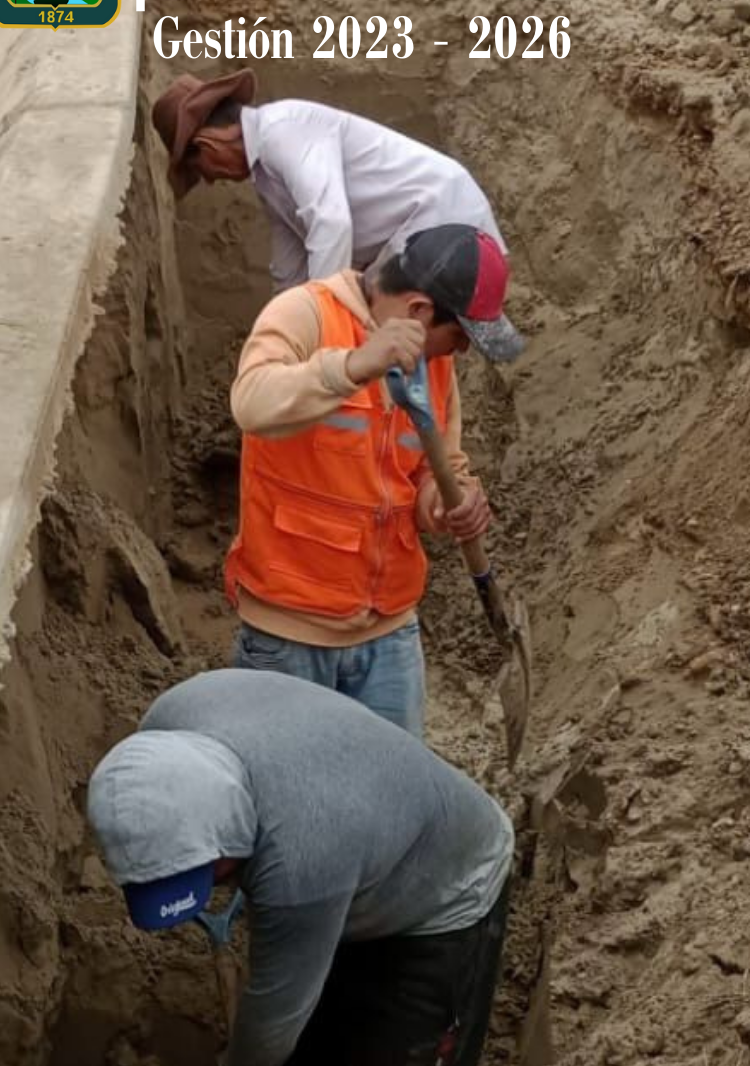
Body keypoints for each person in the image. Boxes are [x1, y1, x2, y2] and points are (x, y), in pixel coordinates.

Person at [86, 668, 514, 1066]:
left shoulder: (302, 855)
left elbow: (278, 999)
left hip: (440, 897)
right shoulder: (167, 737)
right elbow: (281, 999)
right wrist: (261, 1062)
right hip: (350, 858)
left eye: (212, 876)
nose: (210, 893)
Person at [223, 222, 523, 737]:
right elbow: (251, 402)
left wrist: (446, 501)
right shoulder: (307, 315)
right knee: (292, 800)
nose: (462, 352)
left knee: (393, 804)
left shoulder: (436, 368)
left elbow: (435, 469)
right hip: (289, 635)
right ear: (420, 312)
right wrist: (354, 366)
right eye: (460, 336)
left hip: (388, 637)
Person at [151, 71, 506, 291]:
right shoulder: (267, 173)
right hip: (418, 236)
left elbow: (332, 224)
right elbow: (291, 270)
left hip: (445, 218)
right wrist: (282, 336)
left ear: (207, 144)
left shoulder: (283, 130)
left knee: (380, 323)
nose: (211, 181)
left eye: (202, 171)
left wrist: (317, 323)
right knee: (370, 322)